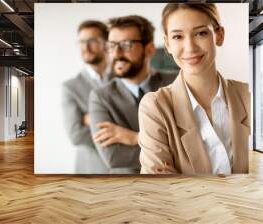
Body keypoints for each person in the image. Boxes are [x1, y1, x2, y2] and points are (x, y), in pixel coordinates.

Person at [138, 3, 250, 175]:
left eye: (201, 33)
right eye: (177, 37)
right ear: (167, 44)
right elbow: (158, 189)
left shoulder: (247, 96)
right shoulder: (155, 106)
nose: (190, 47)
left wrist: (182, 179)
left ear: (219, 35)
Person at [89, 15, 177, 174]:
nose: (116, 53)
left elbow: (195, 142)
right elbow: (113, 157)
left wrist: (135, 138)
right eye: (112, 45)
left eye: (126, 45)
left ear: (149, 49)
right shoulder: (100, 96)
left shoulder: (176, 83)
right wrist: (169, 151)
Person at [62, 20, 112, 173]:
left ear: (107, 43)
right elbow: (76, 135)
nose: (85, 47)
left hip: (130, 170)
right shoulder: (70, 87)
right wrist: (120, 129)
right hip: (92, 170)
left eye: (92, 41)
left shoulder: (125, 78)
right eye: (82, 42)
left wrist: (93, 119)